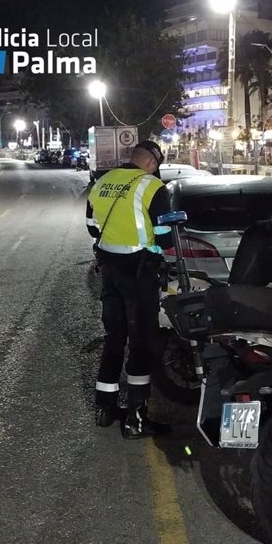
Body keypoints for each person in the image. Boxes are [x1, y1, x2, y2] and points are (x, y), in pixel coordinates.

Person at [85, 140, 173, 439]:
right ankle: (135, 418)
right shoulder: (151, 187)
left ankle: (105, 408)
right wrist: (155, 248)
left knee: (114, 338)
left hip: (109, 270)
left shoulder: (103, 181)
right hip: (139, 274)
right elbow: (166, 237)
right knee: (141, 342)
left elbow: (91, 227)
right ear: (152, 162)